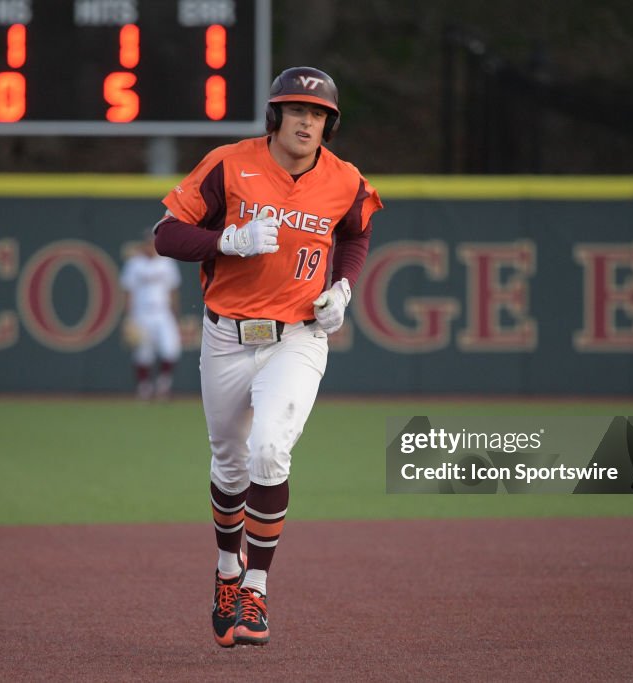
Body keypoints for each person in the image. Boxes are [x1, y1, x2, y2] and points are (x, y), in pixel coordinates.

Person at [153, 66, 382, 646]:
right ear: (275, 115)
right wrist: (224, 240)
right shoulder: (230, 163)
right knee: (229, 464)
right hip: (227, 334)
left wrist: (344, 286)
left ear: (330, 123)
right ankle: (226, 570)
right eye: (298, 110)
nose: (308, 121)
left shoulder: (344, 178)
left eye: (319, 113)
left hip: (299, 336)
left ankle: (255, 587)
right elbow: (166, 234)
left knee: (270, 451)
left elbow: (355, 232)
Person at [119, 230, 182, 400]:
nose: (151, 245)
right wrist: (128, 317)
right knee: (143, 353)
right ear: (144, 244)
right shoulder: (134, 263)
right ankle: (144, 388)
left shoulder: (167, 263)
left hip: (162, 311)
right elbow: (128, 292)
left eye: (154, 242)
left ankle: (163, 385)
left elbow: (173, 290)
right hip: (141, 312)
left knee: (171, 349)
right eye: (148, 242)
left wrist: (175, 314)